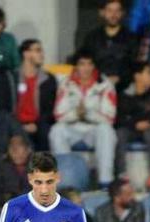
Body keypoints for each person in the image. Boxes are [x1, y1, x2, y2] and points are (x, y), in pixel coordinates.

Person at [49, 50, 118, 186]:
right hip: (73, 127)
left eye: (89, 64)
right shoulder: (66, 84)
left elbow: (110, 118)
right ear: (76, 66)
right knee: (57, 130)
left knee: (106, 131)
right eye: (82, 64)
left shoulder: (105, 85)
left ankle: (105, 182)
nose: (86, 68)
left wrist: (87, 114)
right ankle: (66, 180)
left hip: (94, 129)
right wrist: (76, 114)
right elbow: (58, 115)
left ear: (94, 66)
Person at [115, 62, 150, 176]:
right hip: (130, 128)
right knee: (120, 134)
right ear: (137, 76)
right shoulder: (125, 94)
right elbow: (120, 117)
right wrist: (135, 124)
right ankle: (121, 173)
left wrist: (145, 121)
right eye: (149, 73)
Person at [79, 0, 138, 90]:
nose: (113, 15)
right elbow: (82, 61)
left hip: (124, 88)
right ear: (102, 13)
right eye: (109, 10)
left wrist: (120, 78)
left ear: (122, 13)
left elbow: (135, 65)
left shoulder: (131, 38)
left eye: (117, 11)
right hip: (95, 86)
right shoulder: (92, 37)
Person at [14, 39, 57, 151]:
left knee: (45, 132)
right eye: (38, 50)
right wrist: (20, 126)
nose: (42, 54)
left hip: (39, 124)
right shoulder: (12, 78)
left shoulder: (48, 79)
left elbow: (50, 109)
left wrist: (36, 124)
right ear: (26, 54)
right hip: (15, 123)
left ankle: (43, 168)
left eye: (41, 51)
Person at [0, 134, 32, 222]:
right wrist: (2, 203)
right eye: (12, 149)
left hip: (30, 206)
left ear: (28, 150)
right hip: (5, 205)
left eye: (19, 149)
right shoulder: (1, 164)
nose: (15, 153)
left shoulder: (36, 164)